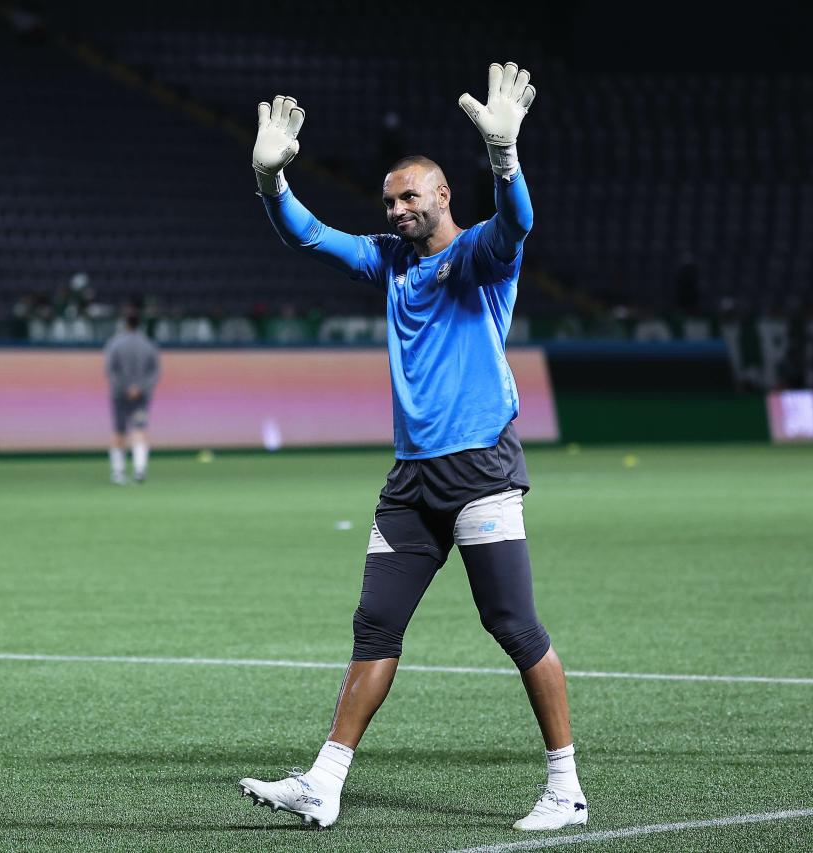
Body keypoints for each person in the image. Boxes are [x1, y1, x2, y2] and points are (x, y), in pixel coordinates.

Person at [238, 64, 586, 833]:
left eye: (410, 198)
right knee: (375, 625)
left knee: (514, 625)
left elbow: (517, 222)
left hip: (481, 470)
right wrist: (271, 182)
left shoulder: (479, 258)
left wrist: (506, 159)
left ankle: (566, 789)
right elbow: (310, 235)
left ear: (443, 197)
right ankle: (324, 781)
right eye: (389, 200)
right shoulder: (389, 260)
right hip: (410, 480)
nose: (396, 210)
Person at [103, 307, 160, 484]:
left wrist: (126, 387)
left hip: (120, 395)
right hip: (142, 397)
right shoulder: (149, 345)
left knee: (119, 431)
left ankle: (118, 472)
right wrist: (139, 388)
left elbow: (111, 371)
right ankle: (139, 469)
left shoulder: (115, 344)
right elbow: (155, 372)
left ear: (124, 323)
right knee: (139, 429)